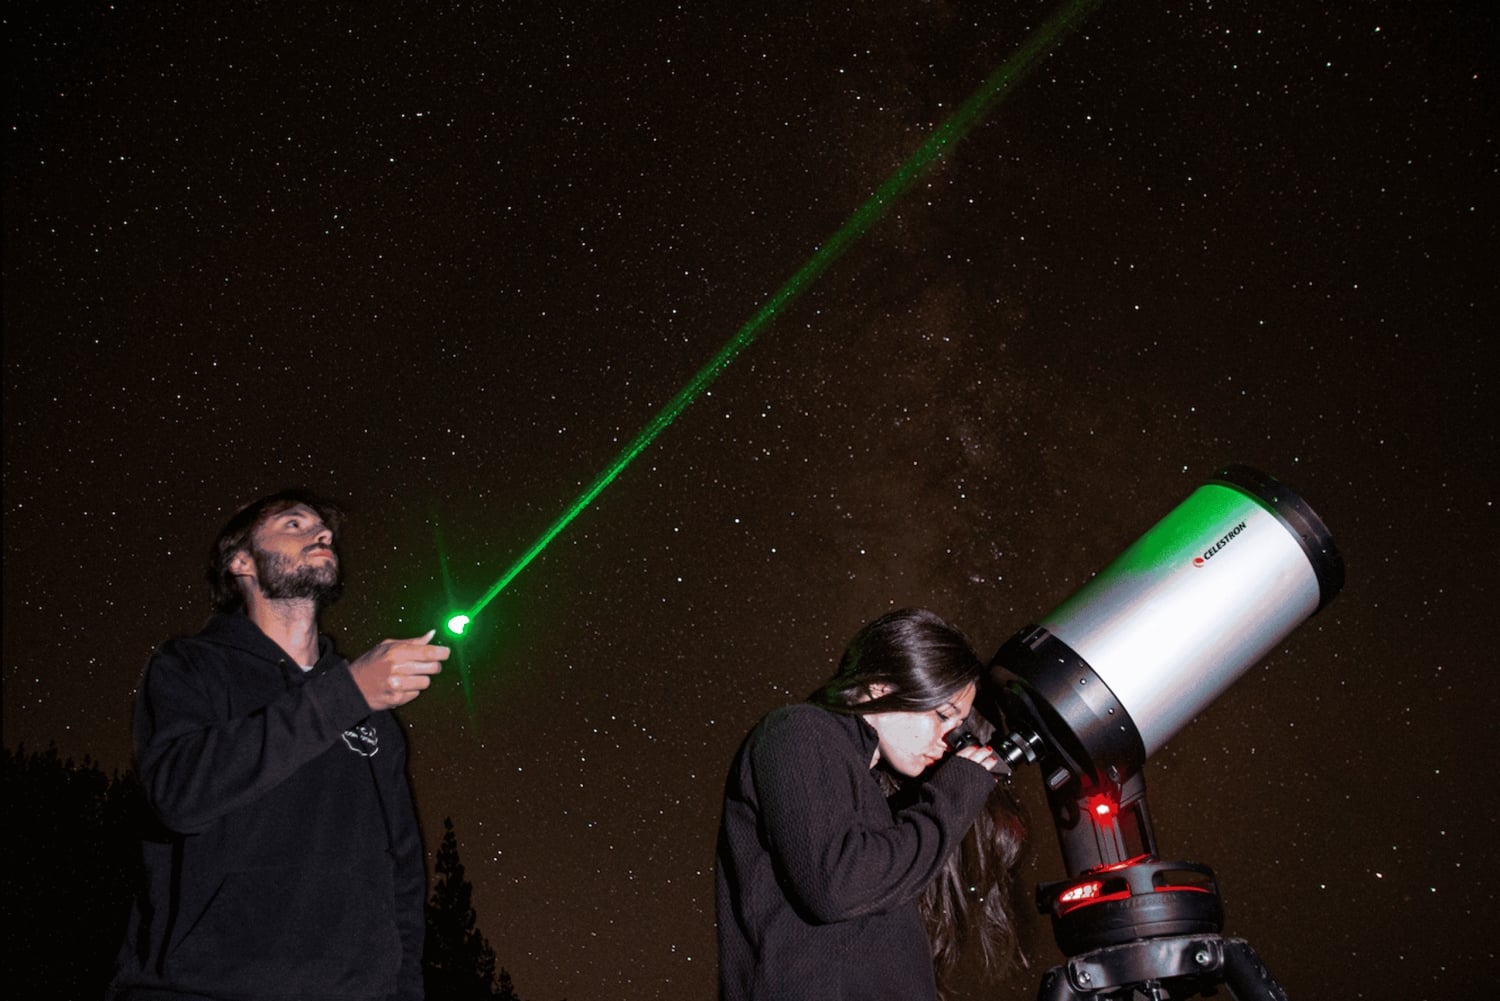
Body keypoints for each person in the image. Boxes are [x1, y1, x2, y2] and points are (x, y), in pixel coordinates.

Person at [108, 489, 449, 1001]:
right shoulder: (191, 666)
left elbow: (400, 867)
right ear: (241, 562)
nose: (322, 533)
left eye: (323, 528)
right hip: (204, 989)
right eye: (294, 524)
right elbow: (179, 796)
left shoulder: (372, 707)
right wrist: (345, 694)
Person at [715, 608, 1026, 1001]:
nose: (948, 740)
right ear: (881, 687)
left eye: (957, 727)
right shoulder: (798, 730)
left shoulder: (876, 795)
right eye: (942, 715)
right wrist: (953, 796)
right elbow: (836, 886)